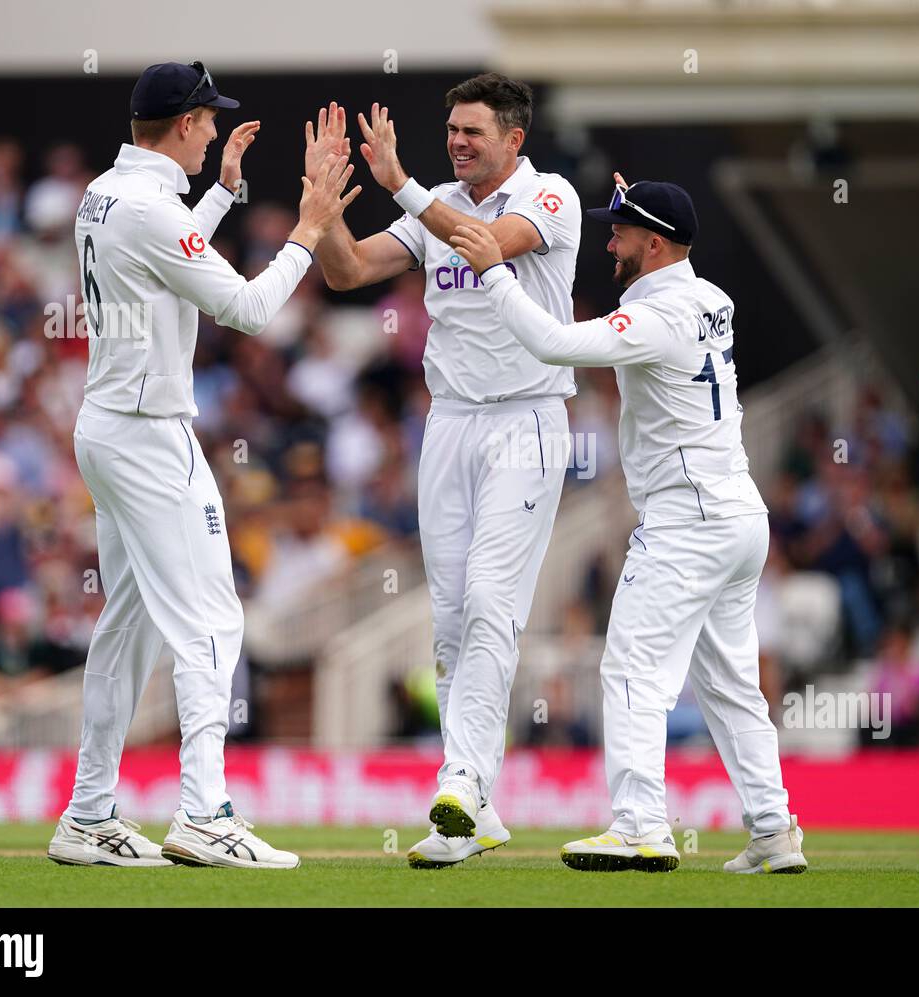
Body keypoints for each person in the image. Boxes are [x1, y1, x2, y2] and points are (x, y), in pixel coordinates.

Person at [47, 61, 360, 869]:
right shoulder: (152, 209)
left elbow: (164, 256)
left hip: (108, 427)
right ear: (184, 125)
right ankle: (205, 812)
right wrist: (310, 224)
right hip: (150, 437)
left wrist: (220, 193)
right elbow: (249, 310)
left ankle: (87, 814)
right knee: (212, 621)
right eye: (209, 121)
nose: (217, 130)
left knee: (129, 627)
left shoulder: (105, 193)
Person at [448, 174, 806, 874]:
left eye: (620, 231)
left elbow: (553, 343)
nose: (608, 242)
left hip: (687, 519)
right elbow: (656, 282)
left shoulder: (657, 316)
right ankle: (772, 828)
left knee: (634, 667)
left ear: (656, 241)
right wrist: (637, 201)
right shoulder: (710, 299)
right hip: (737, 515)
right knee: (731, 686)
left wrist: (494, 272)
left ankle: (641, 824)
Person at [306, 75, 582, 868]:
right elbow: (350, 272)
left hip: (526, 419)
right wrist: (321, 214)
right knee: (454, 618)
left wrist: (399, 183)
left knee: (495, 600)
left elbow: (487, 245)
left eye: (474, 132)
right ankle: (478, 809)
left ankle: (460, 777)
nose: (458, 141)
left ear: (514, 140)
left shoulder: (549, 196)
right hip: (451, 422)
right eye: (452, 130)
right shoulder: (435, 210)